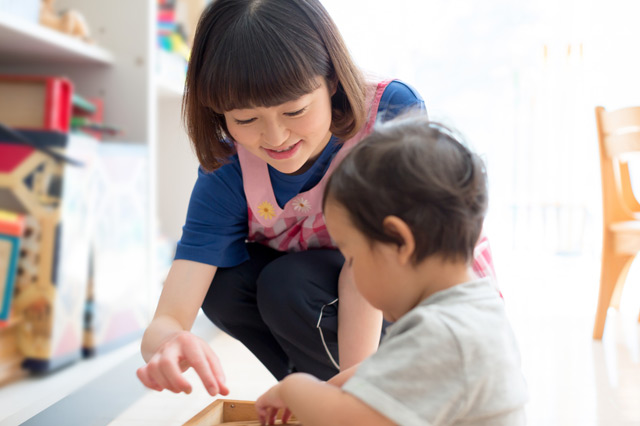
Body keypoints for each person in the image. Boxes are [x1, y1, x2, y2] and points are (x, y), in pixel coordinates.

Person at [137, 0, 495, 397]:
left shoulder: (388, 114)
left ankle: (364, 395)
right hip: (316, 290)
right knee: (225, 284)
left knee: (288, 284)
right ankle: (321, 391)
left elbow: (379, 261)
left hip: (396, 288)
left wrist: (360, 383)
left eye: (295, 111)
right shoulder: (229, 165)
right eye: (245, 120)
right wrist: (169, 342)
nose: (274, 138)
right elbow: (170, 313)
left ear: (332, 82)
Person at [255, 114, 527, 426]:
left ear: (399, 241)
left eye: (352, 257)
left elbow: (347, 421)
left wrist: (294, 388)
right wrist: (335, 386)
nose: (351, 273)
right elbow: (398, 364)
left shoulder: (443, 332)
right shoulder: (477, 307)